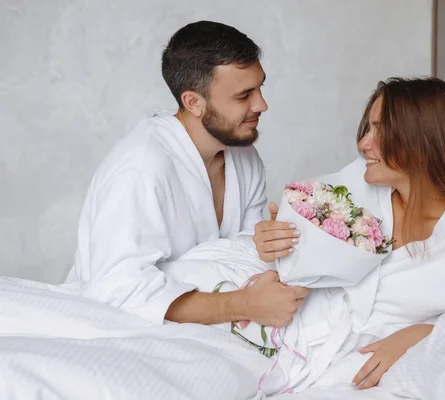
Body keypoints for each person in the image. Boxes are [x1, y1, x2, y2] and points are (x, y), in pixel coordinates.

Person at [253, 77, 445, 392]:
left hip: (351, 366)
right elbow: (301, 232)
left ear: (424, 140)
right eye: (368, 129)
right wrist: (272, 237)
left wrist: (423, 333)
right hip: (282, 322)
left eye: (380, 131)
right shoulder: (357, 182)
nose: (364, 143)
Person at [64, 20, 307, 327]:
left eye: (260, 88)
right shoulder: (140, 170)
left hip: (218, 327)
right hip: (118, 326)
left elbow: (242, 259)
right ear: (193, 102)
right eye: (244, 95)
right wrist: (243, 305)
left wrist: (268, 244)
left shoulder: (244, 156)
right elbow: (117, 290)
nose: (262, 104)